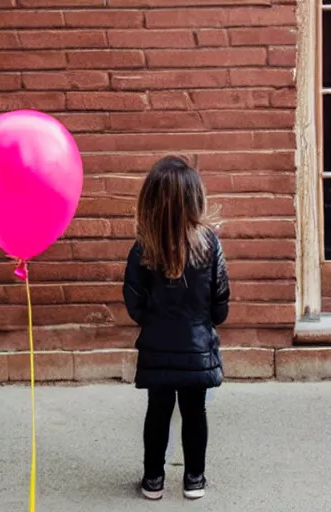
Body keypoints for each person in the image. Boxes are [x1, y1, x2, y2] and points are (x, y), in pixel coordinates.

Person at [122, 155, 230, 501]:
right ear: (194, 199)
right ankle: (194, 480)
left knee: (158, 410)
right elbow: (221, 305)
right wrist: (203, 322)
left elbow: (133, 304)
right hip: (198, 351)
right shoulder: (210, 246)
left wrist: (155, 324)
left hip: (156, 349)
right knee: (195, 412)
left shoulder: (141, 249)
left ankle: (153, 479)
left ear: (150, 200)